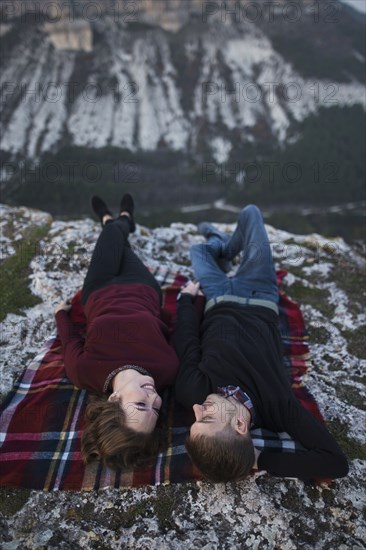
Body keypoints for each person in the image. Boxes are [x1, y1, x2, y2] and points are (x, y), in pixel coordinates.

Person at [173, 204, 349, 482]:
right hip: (260, 292)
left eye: (196, 420)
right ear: (240, 425)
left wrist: (185, 300)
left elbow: (186, 339)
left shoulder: (194, 390)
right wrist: (260, 459)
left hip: (217, 295)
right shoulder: (278, 407)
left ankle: (223, 246)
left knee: (198, 251)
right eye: (206, 419)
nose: (196, 409)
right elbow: (335, 464)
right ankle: (222, 246)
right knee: (251, 214)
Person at [54, 194, 179, 470]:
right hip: (142, 288)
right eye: (156, 409)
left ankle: (115, 221)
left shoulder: (85, 371)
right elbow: (179, 329)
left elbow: (69, 339)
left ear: (114, 399)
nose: (153, 397)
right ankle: (119, 220)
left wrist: (61, 313)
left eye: (141, 405)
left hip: (98, 288)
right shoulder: (168, 369)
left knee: (112, 239)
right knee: (120, 244)